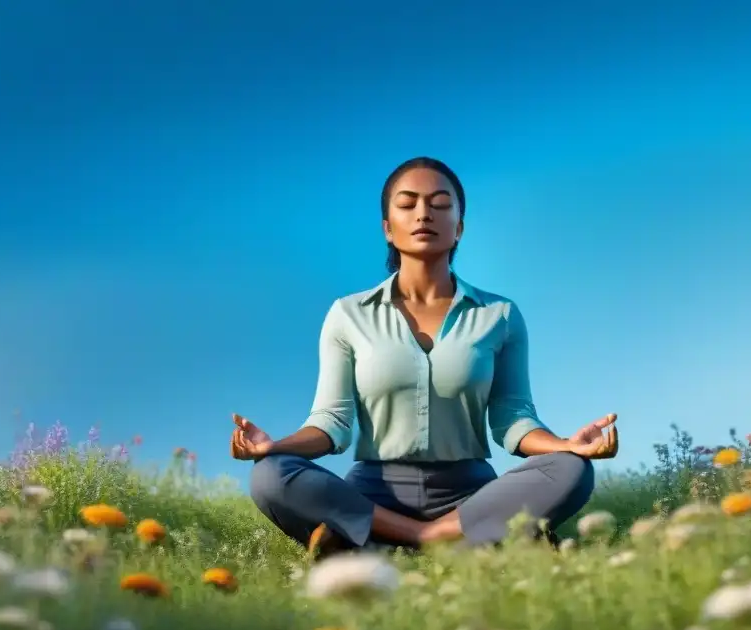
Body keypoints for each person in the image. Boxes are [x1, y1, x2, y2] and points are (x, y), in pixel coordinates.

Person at [230, 157, 618, 558]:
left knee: (571, 469)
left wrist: (567, 444)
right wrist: (274, 447)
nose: (423, 214)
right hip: (373, 491)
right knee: (271, 476)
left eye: (439, 203)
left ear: (459, 228)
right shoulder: (348, 314)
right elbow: (332, 422)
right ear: (387, 228)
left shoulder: (498, 315)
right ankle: (457, 538)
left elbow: (512, 418)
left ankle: (380, 539)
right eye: (408, 203)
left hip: (470, 492)